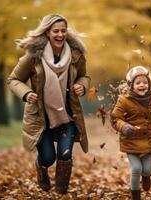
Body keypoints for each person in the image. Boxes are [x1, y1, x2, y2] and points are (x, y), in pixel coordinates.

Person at [7, 14, 90, 194]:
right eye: (56, 31)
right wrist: (26, 92)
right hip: (41, 116)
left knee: (65, 155)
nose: (60, 35)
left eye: (63, 31)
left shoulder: (76, 55)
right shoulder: (32, 56)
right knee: (48, 158)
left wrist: (82, 86)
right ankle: (41, 165)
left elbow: (84, 76)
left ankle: (61, 192)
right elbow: (13, 80)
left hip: (67, 115)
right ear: (47, 32)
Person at [110, 66, 151, 200]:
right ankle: (135, 196)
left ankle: (146, 176)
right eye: (138, 83)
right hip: (131, 140)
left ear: (149, 84)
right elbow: (115, 118)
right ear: (131, 85)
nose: (142, 85)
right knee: (136, 169)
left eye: (145, 82)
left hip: (148, 140)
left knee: (147, 170)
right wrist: (124, 126)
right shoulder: (124, 99)